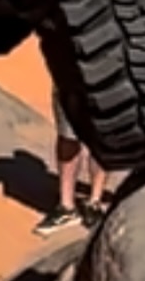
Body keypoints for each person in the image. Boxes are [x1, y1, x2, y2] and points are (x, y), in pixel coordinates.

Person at [35, 90, 109, 235]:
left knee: (100, 137)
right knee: (67, 137)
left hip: (105, 86)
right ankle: (66, 207)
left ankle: (94, 203)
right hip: (69, 84)